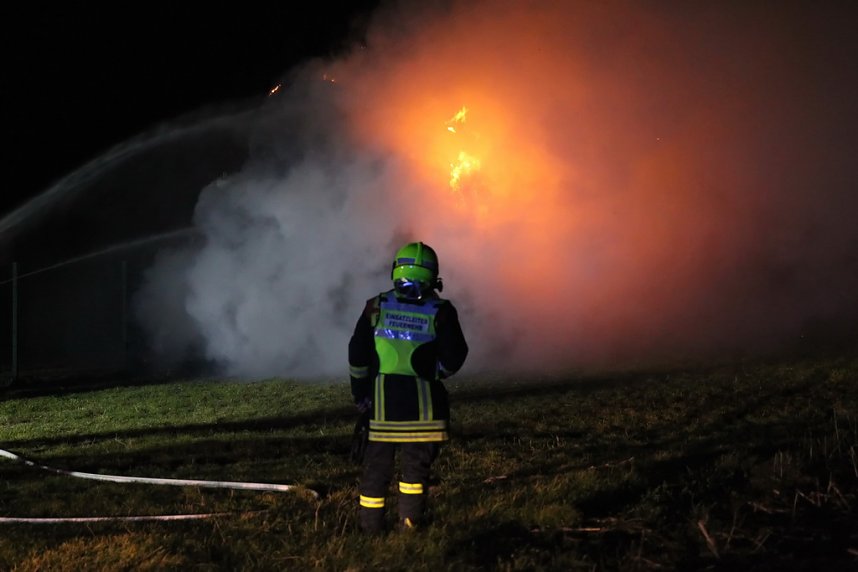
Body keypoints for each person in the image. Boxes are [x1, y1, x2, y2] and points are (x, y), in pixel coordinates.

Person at [348, 241, 469, 534]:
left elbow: (358, 355)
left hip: (382, 412)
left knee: (376, 471)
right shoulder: (441, 311)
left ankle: (370, 529)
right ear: (433, 276)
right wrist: (437, 371)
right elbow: (455, 355)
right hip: (425, 413)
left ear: (395, 271)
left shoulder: (375, 307)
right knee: (415, 472)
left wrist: (360, 394)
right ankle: (409, 527)